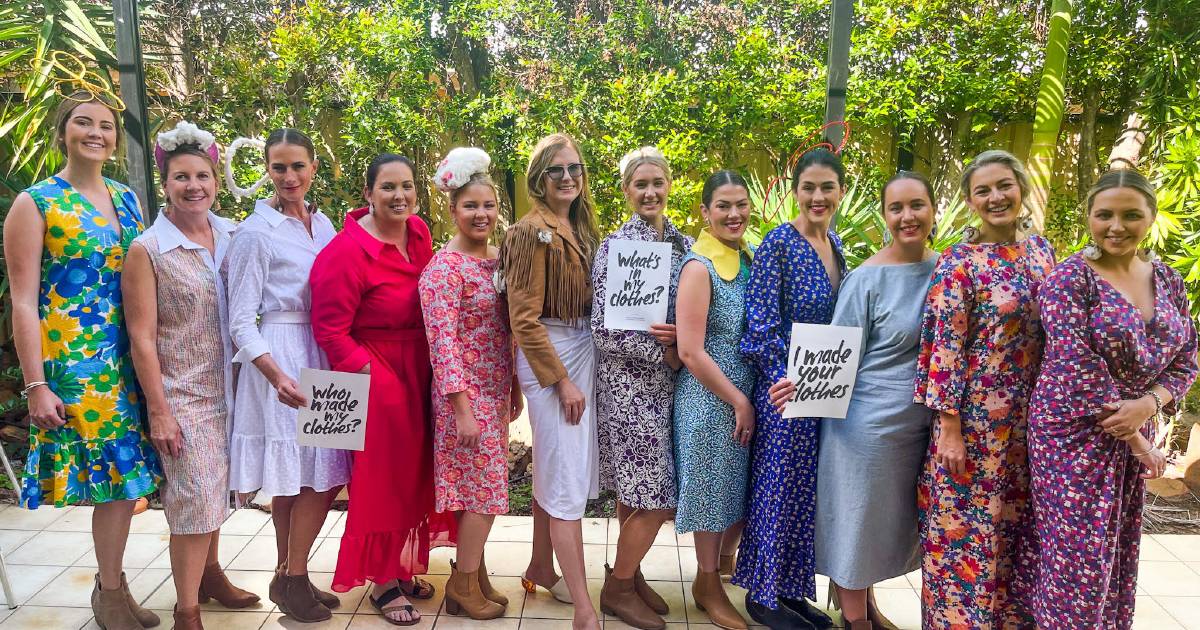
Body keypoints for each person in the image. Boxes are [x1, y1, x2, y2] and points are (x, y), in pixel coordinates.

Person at [3, 90, 162, 630]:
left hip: (129, 358)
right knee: (111, 483)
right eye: (83, 122)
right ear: (62, 130)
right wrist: (35, 384)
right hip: (75, 364)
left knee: (125, 484)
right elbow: (22, 300)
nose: (96, 132)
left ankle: (110, 587)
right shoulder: (37, 201)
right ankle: (111, 594)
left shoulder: (127, 200)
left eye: (107, 125)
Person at [1026, 169, 1197, 629]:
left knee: (1117, 552)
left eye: (1130, 215)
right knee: (1076, 562)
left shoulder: (1166, 279)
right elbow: (1075, 365)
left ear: (1150, 218)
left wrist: (1150, 404)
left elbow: (1187, 357)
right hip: (1073, 436)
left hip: (1132, 429)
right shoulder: (1069, 280)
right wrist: (1140, 440)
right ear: (1088, 217)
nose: (1116, 226)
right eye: (1104, 215)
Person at [774, 171, 939, 630]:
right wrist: (796, 387)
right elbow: (837, 354)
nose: (907, 217)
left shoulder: (948, 269)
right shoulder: (865, 279)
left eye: (916, 205)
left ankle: (866, 607)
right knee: (857, 522)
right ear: (884, 215)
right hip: (865, 427)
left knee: (886, 526)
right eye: (896, 208)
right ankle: (855, 622)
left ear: (932, 210)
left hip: (921, 427)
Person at [122, 122, 260, 629]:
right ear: (166, 183)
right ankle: (187, 609)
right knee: (193, 501)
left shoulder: (233, 236)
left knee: (217, 495)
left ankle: (211, 574)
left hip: (232, 388)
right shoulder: (149, 250)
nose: (194, 186)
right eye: (182, 177)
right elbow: (141, 337)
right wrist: (159, 411)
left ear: (216, 181)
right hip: (183, 395)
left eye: (203, 176)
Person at [309, 153, 456, 625]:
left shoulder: (419, 235)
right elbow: (330, 331)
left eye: (407, 186)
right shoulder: (345, 252)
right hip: (373, 375)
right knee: (379, 480)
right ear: (368, 193)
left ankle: (404, 566)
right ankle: (383, 583)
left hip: (420, 368)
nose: (400, 196)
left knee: (414, 474)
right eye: (388, 187)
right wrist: (372, 379)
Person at [913, 149, 1054, 629]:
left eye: (1004, 186)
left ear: (1021, 187)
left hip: (1031, 423)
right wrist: (948, 426)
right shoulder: (960, 262)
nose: (996, 198)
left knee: (1017, 534)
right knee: (965, 538)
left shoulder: (1042, 251)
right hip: (974, 427)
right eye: (983, 191)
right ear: (971, 202)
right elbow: (942, 347)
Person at [225, 128, 352, 623]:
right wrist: (274, 374)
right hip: (281, 355)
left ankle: (288, 573)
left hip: (325, 349)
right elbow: (240, 320)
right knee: (301, 478)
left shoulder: (325, 227)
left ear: (314, 166)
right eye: (279, 167)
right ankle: (294, 575)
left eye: (298, 165)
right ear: (268, 171)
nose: (289, 176)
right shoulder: (256, 232)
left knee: (321, 476)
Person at [735, 148, 845, 630]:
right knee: (778, 490)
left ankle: (793, 591)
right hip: (785, 389)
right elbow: (758, 323)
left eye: (827, 187)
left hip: (824, 389)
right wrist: (786, 377)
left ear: (840, 190)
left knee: (805, 495)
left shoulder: (837, 243)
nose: (817, 196)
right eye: (809, 187)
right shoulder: (780, 242)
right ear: (794, 191)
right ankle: (762, 595)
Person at [501, 133, 602, 630]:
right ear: (538, 179)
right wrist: (560, 381)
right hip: (552, 358)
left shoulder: (582, 226)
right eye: (556, 170)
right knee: (563, 478)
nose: (567, 178)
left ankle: (542, 564)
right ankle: (585, 609)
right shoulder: (527, 232)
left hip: (583, 350)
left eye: (574, 169)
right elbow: (523, 319)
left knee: (559, 466)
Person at [591, 147, 693, 630]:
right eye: (640, 184)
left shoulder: (684, 244)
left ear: (669, 184)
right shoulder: (615, 249)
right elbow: (604, 329)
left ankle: (627, 576)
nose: (650, 191)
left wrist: (685, 343)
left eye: (657, 182)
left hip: (672, 387)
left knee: (636, 494)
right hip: (628, 387)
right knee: (658, 497)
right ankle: (617, 589)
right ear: (627, 191)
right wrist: (666, 352)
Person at [419, 147, 521, 620]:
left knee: (477, 491)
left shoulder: (499, 261)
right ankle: (461, 584)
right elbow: (443, 345)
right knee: (482, 493)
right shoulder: (442, 270)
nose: (481, 214)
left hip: (495, 390)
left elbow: (508, 329)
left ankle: (473, 571)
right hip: (463, 396)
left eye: (488, 206)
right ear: (452, 209)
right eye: (470, 206)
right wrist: (462, 406)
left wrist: (514, 385)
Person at [673, 170, 757, 630]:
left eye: (740, 204)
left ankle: (719, 570)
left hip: (741, 393)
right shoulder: (699, 266)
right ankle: (707, 583)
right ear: (705, 212)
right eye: (723, 205)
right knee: (710, 493)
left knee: (732, 491)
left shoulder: (745, 260)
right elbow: (690, 350)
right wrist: (738, 401)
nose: (733, 213)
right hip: (710, 399)